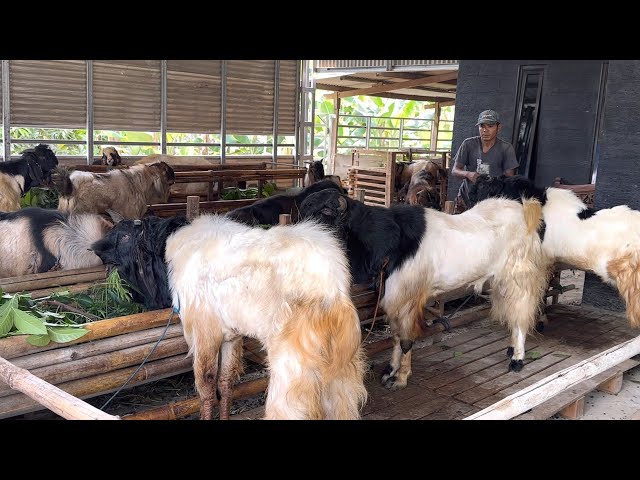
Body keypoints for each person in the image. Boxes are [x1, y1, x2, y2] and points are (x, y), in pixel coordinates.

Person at [451, 109, 519, 211]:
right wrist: (468, 174)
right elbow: (455, 170)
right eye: (482, 126)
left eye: (490, 126)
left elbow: (510, 179)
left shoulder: (506, 148)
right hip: (467, 198)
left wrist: (492, 183)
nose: (485, 130)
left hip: (492, 202)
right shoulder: (468, 144)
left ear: (498, 128)